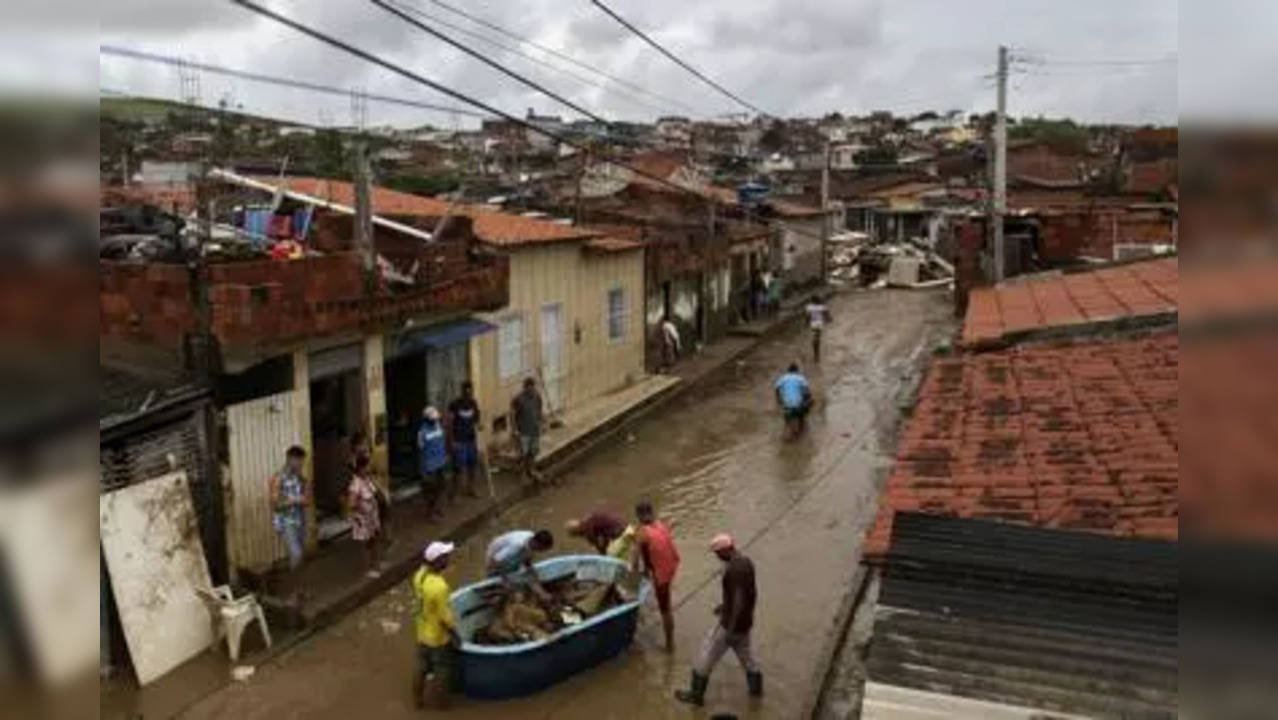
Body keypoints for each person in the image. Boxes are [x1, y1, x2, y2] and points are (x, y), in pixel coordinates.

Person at [674, 533, 761, 706]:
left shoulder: (734, 570)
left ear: (725, 551)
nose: (717, 557)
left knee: (705, 657)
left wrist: (729, 629)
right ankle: (756, 692)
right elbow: (749, 593)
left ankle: (696, 695)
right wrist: (724, 606)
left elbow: (738, 600)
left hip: (730, 626)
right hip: (745, 624)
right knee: (748, 659)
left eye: (718, 553)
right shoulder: (746, 562)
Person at [412, 541, 460, 710]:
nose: (448, 559)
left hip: (422, 631)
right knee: (442, 673)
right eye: (445, 557)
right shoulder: (439, 587)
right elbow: (444, 616)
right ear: (438, 561)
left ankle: (418, 700)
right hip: (438, 638)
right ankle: (443, 706)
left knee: (421, 668)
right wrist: (455, 634)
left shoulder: (419, 575)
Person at [635, 500, 680, 652]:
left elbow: (635, 558)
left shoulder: (641, 532)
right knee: (664, 602)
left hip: (661, 573)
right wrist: (647, 570)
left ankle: (670, 645)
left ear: (639, 516)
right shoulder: (661, 524)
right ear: (652, 512)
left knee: (665, 609)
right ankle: (670, 641)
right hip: (671, 566)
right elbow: (652, 551)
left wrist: (633, 579)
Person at [270, 446, 309, 576]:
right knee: (296, 554)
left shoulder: (301, 478)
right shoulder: (278, 478)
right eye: (300, 461)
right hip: (285, 522)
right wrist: (294, 501)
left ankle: (298, 587)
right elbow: (275, 505)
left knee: (299, 555)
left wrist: (300, 500)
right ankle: (295, 588)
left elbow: (307, 500)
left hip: (300, 520)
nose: (301, 464)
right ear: (291, 459)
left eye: (302, 461)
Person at [485, 529, 554, 602]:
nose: (541, 551)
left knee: (526, 574)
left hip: (510, 556)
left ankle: (542, 594)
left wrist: (533, 574)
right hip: (495, 554)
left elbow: (527, 562)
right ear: (537, 543)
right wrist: (505, 580)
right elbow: (494, 561)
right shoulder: (516, 546)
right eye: (542, 549)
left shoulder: (530, 541)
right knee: (507, 582)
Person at [346, 454, 383, 578]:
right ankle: (368, 569)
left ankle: (375, 565)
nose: (369, 469)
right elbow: (351, 503)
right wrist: (363, 509)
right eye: (367, 467)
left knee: (374, 541)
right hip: (363, 519)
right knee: (366, 544)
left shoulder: (366, 480)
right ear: (361, 468)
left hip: (372, 516)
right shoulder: (356, 484)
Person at [446, 381, 482, 500]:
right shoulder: (455, 404)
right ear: (462, 391)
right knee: (458, 469)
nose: (468, 394)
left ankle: (471, 489)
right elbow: (449, 423)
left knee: (472, 466)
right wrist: (451, 441)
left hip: (471, 440)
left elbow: (476, 420)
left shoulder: (473, 403)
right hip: (459, 441)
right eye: (466, 391)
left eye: (470, 391)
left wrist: (480, 426)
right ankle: (454, 493)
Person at [510, 378, 545, 486]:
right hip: (523, 431)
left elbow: (539, 411)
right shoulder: (519, 399)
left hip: (534, 430)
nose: (531, 389)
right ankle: (523, 475)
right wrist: (514, 429)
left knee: (533, 452)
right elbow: (512, 414)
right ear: (525, 387)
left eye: (533, 387)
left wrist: (542, 423)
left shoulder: (537, 397)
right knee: (523, 454)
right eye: (529, 387)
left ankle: (532, 470)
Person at [417, 406, 448, 520]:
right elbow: (421, 451)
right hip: (429, 467)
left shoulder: (438, 427)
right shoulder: (422, 433)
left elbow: (442, 442)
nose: (435, 420)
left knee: (441, 487)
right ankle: (430, 513)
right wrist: (423, 470)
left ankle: (436, 508)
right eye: (432, 419)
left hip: (440, 463)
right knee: (431, 491)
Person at [774, 363, 813, 440]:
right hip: (798, 404)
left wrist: (778, 399)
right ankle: (801, 425)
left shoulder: (783, 378)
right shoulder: (800, 378)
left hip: (786, 404)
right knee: (810, 401)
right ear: (797, 371)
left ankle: (788, 425)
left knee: (787, 417)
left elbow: (776, 388)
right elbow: (807, 391)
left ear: (788, 371)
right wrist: (808, 399)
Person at [565, 510, 629, 557]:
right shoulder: (589, 520)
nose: (578, 536)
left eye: (576, 534)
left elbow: (601, 545)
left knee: (611, 555)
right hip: (625, 528)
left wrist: (602, 555)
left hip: (622, 533)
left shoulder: (588, 529)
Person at [805, 294, 832, 361]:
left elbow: (808, 316)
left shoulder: (809, 307)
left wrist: (806, 323)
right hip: (819, 324)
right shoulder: (822, 307)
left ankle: (816, 353)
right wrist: (829, 319)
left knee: (815, 338)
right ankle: (817, 354)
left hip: (813, 324)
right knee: (817, 337)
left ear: (812, 301)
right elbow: (827, 314)